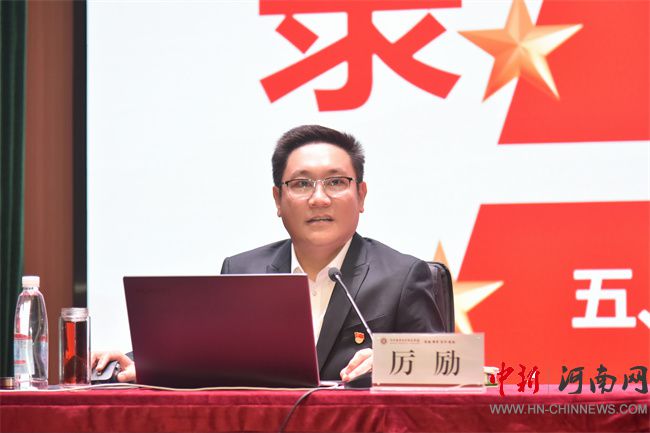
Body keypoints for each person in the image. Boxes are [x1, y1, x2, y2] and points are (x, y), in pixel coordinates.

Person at [93, 124, 445, 383]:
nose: (318, 198)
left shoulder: (401, 276)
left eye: (336, 182)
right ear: (278, 200)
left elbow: (446, 368)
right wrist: (136, 360)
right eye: (301, 184)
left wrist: (391, 361)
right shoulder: (244, 270)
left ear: (361, 195)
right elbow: (207, 349)